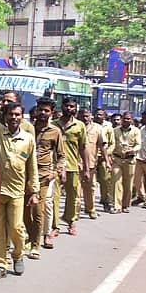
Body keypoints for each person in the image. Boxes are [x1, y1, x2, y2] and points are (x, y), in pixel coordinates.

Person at [0, 86, 38, 279]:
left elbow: (32, 166)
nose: (13, 118)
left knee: (16, 227)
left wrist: (34, 191)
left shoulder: (27, 138)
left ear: (22, 116)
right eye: (11, 114)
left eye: (17, 114)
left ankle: (18, 255)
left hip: (17, 192)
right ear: (6, 115)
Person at [25, 97, 65, 256]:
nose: (42, 113)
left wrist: (54, 173)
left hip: (43, 177)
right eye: (40, 109)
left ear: (52, 113)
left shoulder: (55, 132)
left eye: (46, 111)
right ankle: (30, 236)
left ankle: (36, 245)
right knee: (25, 211)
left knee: (38, 210)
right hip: (25, 175)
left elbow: (62, 156)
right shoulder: (28, 129)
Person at [52, 97, 88, 235]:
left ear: (75, 108)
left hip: (72, 166)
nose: (69, 109)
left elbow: (82, 147)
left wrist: (85, 167)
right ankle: (55, 226)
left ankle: (70, 220)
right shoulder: (53, 125)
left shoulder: (79, 126)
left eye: (72, 107)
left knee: (72, 196)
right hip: (55, 167)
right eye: (67, 106)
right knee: (54, 197)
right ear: (62, 107)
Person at [79, 108, 107, 219]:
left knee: (90, 189)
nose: (85, 118)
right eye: (82, 116)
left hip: (90, 164)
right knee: (76, 190)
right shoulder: (76, 127)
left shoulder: (97, 128)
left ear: (90, 116)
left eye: (87, 116)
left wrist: (107, 161)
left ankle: (90, 209)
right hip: (76, 163)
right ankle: (74, 213)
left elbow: (102, 145)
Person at [110, 112, 140, 213]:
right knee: (116, 182)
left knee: (128, 183)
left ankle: (125, 205)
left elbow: (138, 145)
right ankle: (116, 206)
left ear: (131, 120)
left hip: (130, 160)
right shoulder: (114, 131)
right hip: (117, 159)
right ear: (121, 119)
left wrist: (132, 150)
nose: (126, 120)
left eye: (128, 119)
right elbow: (111, 144)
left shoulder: (136, 131)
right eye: (125, 118)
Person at [94, 109, 115, 211]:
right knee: (91, 182)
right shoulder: (90, 126)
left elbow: (112, 144)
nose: (98, 116)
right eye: (97, 114)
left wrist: (107, 154)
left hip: (104, 157)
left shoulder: (108, 127)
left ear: (104, 116)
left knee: (105, 180)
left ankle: (106, 200)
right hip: (92, 157)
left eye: (101, 115)